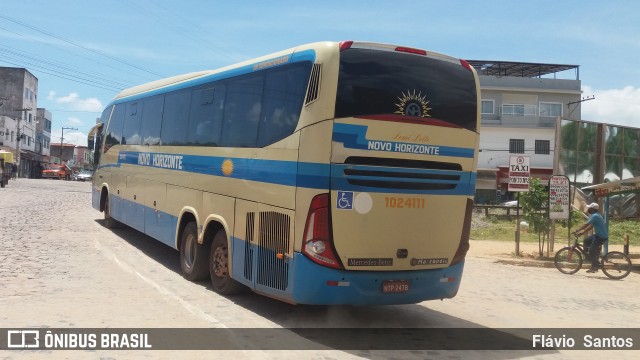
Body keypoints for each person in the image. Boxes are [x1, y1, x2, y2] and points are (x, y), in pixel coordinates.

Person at [573, 202, 608, 273]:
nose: (588, 209)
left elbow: (586, 224)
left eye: (589, 208)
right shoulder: (597, 215)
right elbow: (591, 226)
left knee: (591, 250)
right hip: (598, 235)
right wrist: (582, 233)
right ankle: (590, 257)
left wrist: (578, 230)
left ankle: (595, 267)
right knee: (586, 240)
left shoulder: (595, 216)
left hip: (601, 237)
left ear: (592, 209)